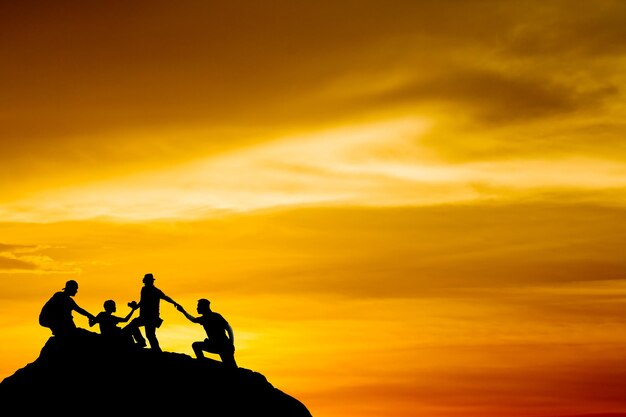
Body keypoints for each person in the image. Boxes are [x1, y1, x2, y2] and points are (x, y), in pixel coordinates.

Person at [124, 273, 180, 352]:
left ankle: (156, 350)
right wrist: (135, 307)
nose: (145, 282)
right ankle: (143, 343)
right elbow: (142, 301)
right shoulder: (143, 289)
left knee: (150, 335)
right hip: (144, 316)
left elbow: (165, 297)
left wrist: (174, 302)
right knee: (134, 326)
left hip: (151, 318)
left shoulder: (156, 291)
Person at [177, 298, 237, 368]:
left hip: (224, 346)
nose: (197, 308)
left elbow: (228, 328)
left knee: (231, 366)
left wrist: (231, 343)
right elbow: (193, 319)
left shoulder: (216, 316)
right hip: (214, 345)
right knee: (196, 345)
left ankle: (203, 362)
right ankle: (202, 362)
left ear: (204, 307)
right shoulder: (203, 318)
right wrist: (183, 311)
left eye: (198, 306)